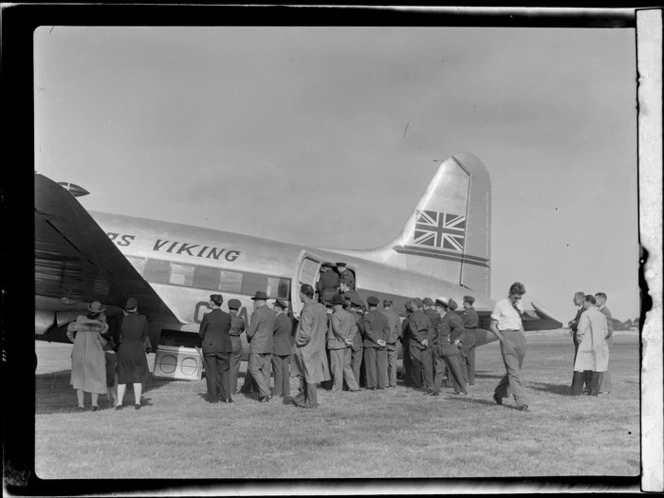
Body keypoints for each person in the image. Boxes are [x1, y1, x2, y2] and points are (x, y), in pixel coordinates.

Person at [489, 282, 529, 411]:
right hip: (506, 336)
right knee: (514, 372)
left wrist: (523, 337)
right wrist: (503, 340)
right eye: (515, 297)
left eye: (519, 298)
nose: (517, 300)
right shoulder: (500, 304)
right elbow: (492, 326)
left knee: (515, 370)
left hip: (519, 337)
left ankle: (499, 393)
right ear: (510, 293)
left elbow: (519, 322)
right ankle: (521, 402)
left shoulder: (519, 305)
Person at [289, 284, 331, 408]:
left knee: (308, 376)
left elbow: (305, 334)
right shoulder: (322, 308)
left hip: (306, 348)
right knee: (308, 375)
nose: (299, 296)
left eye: (300, 293)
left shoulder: (307, 309)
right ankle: (303, 399)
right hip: (318, 346)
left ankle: (311, 402)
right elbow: (325, 327)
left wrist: (297, 342)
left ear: (304, 294)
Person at [66, 301, 109, 411]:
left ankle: (81, 406)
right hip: (95, 354)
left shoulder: (80, 319)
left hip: (78, 353)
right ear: (100, 312)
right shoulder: (101, 325)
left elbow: (69, 332)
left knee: (79, 379)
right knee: (96, 378)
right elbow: (105, 335)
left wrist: (75, 341)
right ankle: (94, 405)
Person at [116, 297, 150, 410]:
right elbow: (144, 336)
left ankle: (119, 403)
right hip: (137, 348)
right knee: (137, 376)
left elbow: (117, 335)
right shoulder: (143, 319)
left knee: (122, 377)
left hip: (124, 348)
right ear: (136, 308)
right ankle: (137, 402)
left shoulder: (121, 319)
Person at [198, 294, 233, 404]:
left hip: (210, 348)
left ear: (212, 303)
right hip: (224, 347)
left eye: (210, 301)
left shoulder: (207, 317)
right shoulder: (227, 316)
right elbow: (227, 329)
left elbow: (201, 333)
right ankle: (227, 397)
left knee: (211, 373)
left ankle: (213, 399)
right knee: (224, 373)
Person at [571, 295, 609, 396]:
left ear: (588, 302)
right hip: (599, 345)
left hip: (586, 344)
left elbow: (581, 330)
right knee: (596, 367)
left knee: (580, 367)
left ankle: (577, 391)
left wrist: (579, 340)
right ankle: (593, 392)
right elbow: (606, 331)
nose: (583, 305)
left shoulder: (586, 314)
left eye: (584, 303)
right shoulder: (601, 315)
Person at [430, 298, 468, 396]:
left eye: (437, 307)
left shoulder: (449, 318)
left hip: (449, 349)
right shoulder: (438, 319)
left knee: (455, 369)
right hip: (439, 348)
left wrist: (451, 338)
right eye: (435, 306)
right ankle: (435, 391)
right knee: (439, 370)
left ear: (443, 308)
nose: (435, 308)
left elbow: (459, 328)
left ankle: (462, 389)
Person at [245, 291, 277, 402]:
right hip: (268, 345)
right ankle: (264, 395)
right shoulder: (273, 313)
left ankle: (265, 393)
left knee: (253, 369)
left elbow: (250, 332)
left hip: (258, 346)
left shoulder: (257, 313)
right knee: (265, 371)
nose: (254, 304)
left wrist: (247, 330)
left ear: (258, 301)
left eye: (254, 301)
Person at [327, 294, 360, 392]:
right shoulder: (349, 315)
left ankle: (337, 388)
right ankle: (354, 387)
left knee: (336, 367)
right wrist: (349, 338)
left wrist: (345, 338)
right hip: (347, 345)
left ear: (334, 304)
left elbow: (337, 329)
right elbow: (354, 328)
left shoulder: (335, 315)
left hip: (337, 345)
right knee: (346, 366)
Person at [362, 296, 391, 389]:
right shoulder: (383, 316)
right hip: (382, 343)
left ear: (368, 304)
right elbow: (387, 330)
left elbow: (367, 331)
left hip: (370, 343)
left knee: (371, 365)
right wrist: (384, 340)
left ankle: (372, 384)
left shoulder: (366, 316)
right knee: (381, 365)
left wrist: (376, 339)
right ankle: (381, 384)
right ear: (378, 304)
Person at [407, 300, 434, 390]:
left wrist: (421, 340)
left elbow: (413, 330)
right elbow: (431, 330)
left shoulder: (411, 317)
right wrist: (427, 339)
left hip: (415, 342)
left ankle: (417, 384)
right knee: (426, 364)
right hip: (425, 342)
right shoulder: (426, 317)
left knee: (416, 363)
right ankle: (429, 384)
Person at [271, 299, 293, 397]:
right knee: (285, 371)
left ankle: (277, 391)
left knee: (277, 371)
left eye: (274, 307)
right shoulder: (288, 319)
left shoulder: (277, 319)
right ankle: (286, 391)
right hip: (286, 347)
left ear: (278, 308)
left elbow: (271, 331)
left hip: (277, 347)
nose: (273, 308)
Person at [568, 291, 587, 389]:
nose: (573, 301)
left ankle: (576, 387)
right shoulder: (581, 310)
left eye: (575, 299)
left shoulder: (584, 310)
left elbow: (577, 323)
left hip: (580, 341)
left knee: (579, 363)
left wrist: (572, 324)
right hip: (578, 340)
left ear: (581, 299)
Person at [595, 292, 613, 395]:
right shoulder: (600, 311)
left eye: (596, 299)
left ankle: (604, 389)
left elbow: (609, 329)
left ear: (602, 300)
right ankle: (600, 388)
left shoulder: (605, 312)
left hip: (604, 343)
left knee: (604, 367)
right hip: (601, 343)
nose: (594, 301)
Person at [458, 296, 479, 386]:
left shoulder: (466, 313)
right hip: (473, 335)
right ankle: (471, 380)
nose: (463, 304)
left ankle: (465, 379)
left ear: (467, 302)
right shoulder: (474, 313)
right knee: (470, 359)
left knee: (461, 357)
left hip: (466, 335)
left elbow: (460, 323)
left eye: (464, 302)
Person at [381, 299, 402, 388]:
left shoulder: (381, 314)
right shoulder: (395, 315)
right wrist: (395, 337)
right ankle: (393, 383)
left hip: (383, 341)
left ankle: (385, 383)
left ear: (383, 305)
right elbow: (399, 330)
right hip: (393, 342)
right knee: (393, 364)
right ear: (391, 305)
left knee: (384, 363)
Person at [422, 297, 442, 386]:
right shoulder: (436, 315)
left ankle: (428, 382)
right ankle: (434, 380)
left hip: (426, 340)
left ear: (424, 305)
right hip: (435, 340)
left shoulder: (424, 315)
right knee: (434, 362)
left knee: (426, 363)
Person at [227, 299, 245, 395]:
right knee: (234, 368)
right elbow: (242, 329)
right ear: (238, 309)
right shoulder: (240, 320)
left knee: (222, 366)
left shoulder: (224, 317)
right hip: (236, 342)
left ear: (228, 307)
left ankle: (221, 388)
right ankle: (232, 390)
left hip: (224, 341)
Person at [348, 296, 365, 386]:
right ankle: (355, 384)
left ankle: (347, 384)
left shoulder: (346, 313)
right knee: (356, 365)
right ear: (358, 307)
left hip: (346, 341)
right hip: (357, 342)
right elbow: (362, 330)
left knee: (347, 365)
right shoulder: (359, 317)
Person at [400, 300, 413, 387]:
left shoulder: (406, 321)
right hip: (417, 345)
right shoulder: (419, 317)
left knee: (407, 364)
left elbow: (402, 334)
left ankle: (408, 382)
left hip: (407, 345)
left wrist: (402, 341)